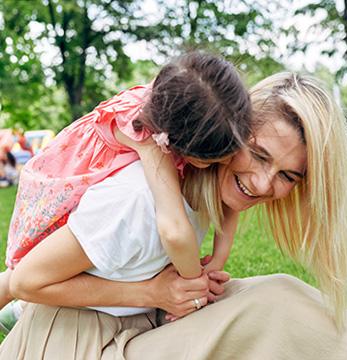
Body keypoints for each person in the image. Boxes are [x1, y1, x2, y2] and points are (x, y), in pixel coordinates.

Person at [1, 72, 347, 359]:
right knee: (272, 309)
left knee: (281, 297)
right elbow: (25, 281)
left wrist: (200, 277)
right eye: (259, 155)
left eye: (287, 176)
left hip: (132, 324)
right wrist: (157, 292)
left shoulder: (205, 189)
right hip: (74, 343)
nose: (264, 184)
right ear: (231, 132)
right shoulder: (139, 198)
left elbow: (222, 221)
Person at [0, 52, 252, 311]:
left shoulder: (185, 98)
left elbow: (228, 199)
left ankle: (20, 311)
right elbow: (174, 229)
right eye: (211, 162)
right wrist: (194, 284)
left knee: (46, 272)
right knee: (25, 275)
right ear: (179, 145)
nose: (222, 166)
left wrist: (217, 261)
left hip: (95, 173)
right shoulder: (149, 139)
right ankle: (23, 312)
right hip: (68, 183)